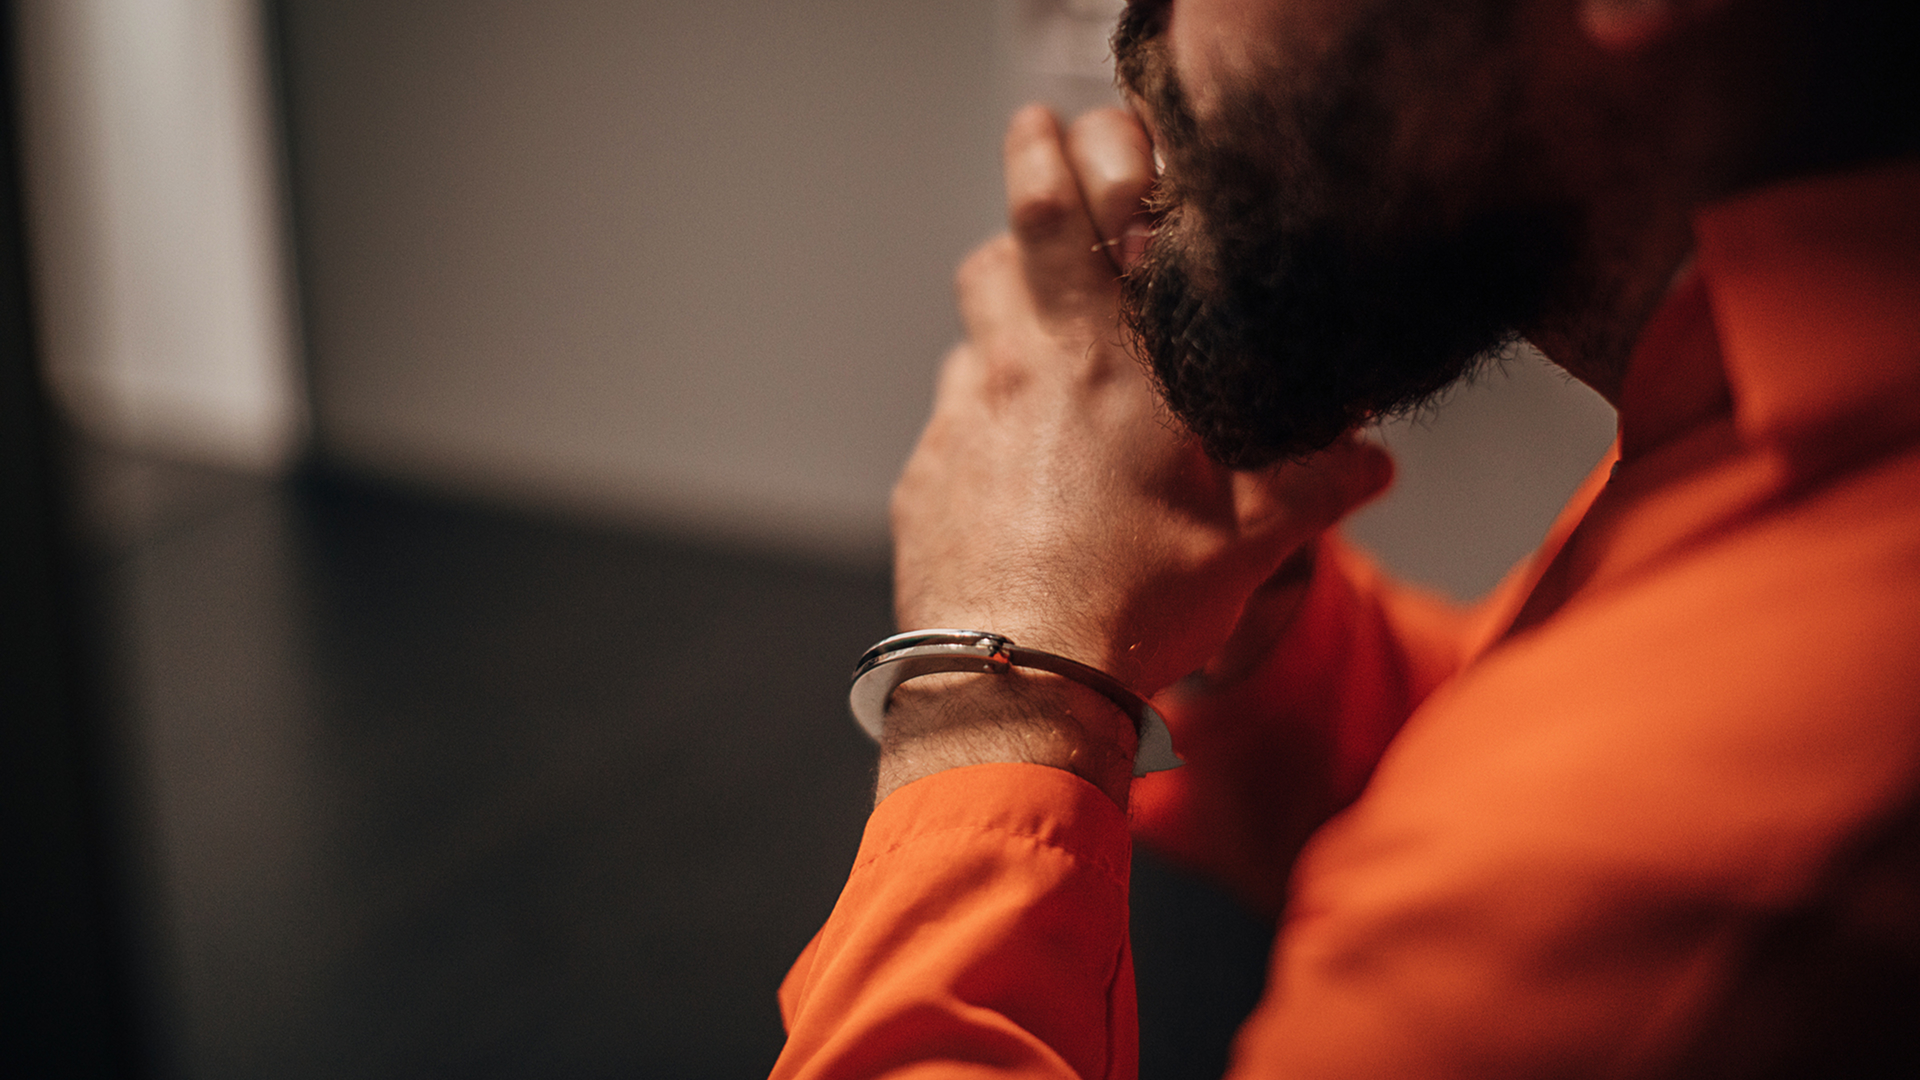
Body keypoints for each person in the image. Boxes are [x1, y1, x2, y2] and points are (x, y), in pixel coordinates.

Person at [774, 0, 1919, 1075]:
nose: (1131, 19)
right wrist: (1251, 619)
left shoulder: (1640, 862)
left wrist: (1000, 692)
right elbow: (1537, 729)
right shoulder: (1788, 405)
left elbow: (1537, 850)